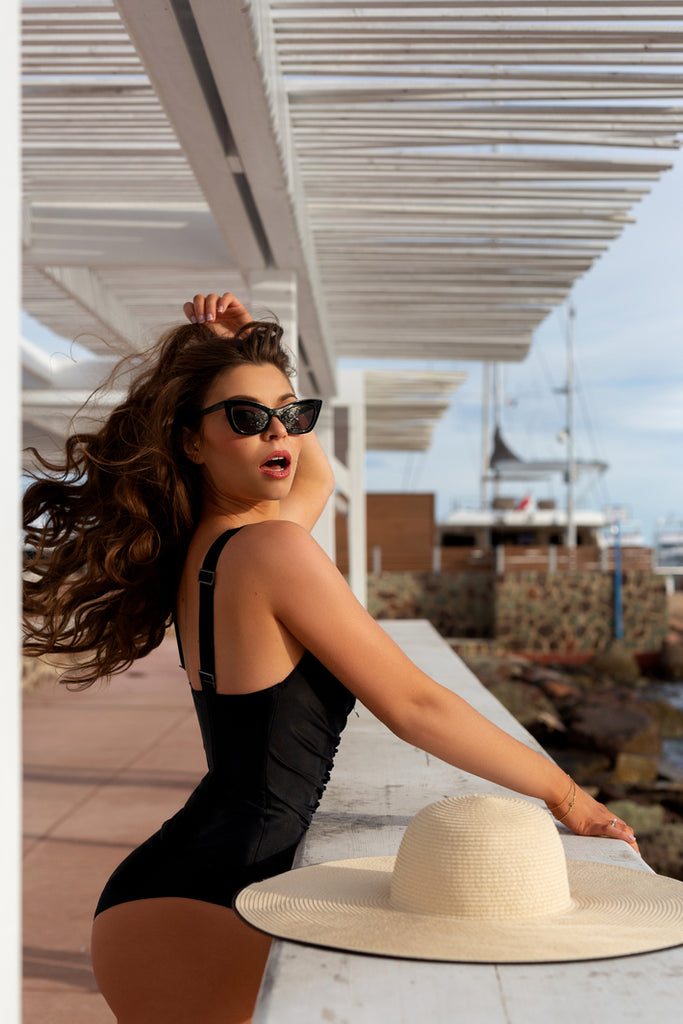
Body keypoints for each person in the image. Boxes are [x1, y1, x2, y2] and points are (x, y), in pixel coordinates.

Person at [23, 292, 638, 1024]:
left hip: (181, 890)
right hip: (202, 907)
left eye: (291, 413)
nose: (278, 433)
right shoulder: (270, 549)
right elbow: (415, 705)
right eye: (246, 421)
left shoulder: (224, 545)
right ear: (192, 442)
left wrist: (244, 351)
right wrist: (566, 797)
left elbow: (312, 478)